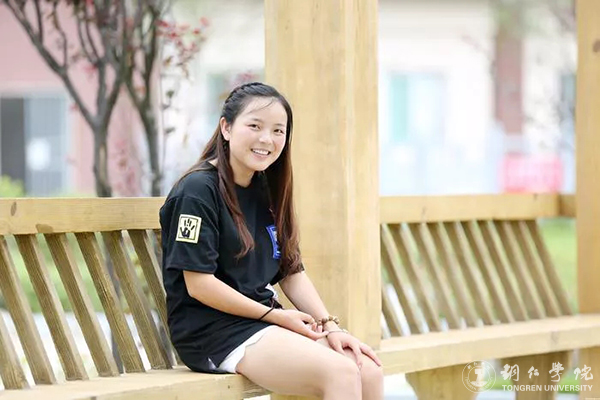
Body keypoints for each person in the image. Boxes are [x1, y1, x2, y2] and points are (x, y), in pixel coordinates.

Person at [159, 82, 383, 400]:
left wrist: (330, 325)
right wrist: (276, 317)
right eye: (255, 126)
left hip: (263, 323)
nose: (267, 139)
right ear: (226, 127)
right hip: (212, 332)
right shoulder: (197, 191)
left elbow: (291, 271)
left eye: (278, 130)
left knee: (367, 368)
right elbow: (199, 285)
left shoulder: (266, 187)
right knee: (341, 372)